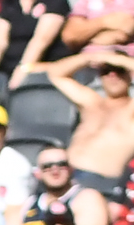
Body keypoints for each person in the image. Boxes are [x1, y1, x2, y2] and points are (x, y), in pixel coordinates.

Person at [49, 53, 134, 197]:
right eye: (106, 71)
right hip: (65, 176)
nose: (112, 75)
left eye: (119, 70)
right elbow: (56, 74)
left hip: (101, 184)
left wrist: (120, 60)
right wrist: (90, 57)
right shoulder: (92, 102)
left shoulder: (130, 110)